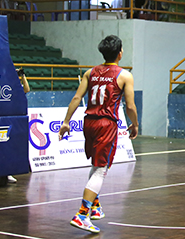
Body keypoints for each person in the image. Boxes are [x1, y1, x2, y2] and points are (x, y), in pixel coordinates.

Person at [58, 35, 139, 234]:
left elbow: (77, 97)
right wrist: (135, 124)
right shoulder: (124, 75)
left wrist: (66, 121)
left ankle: (94, 206)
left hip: (89, 122)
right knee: (101, 169)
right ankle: (82, 214)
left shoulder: (90, 72)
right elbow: (129, 106)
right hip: (106, 124)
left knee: (96, 164)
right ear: (120, 53)